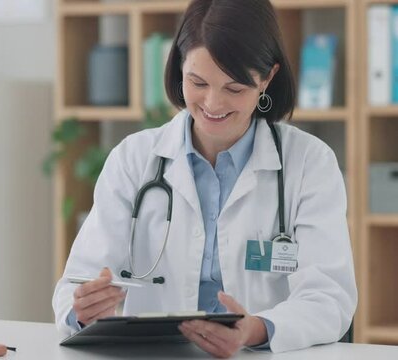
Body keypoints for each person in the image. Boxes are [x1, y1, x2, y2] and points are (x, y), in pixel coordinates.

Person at [52, 0, 356, 356]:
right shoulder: (133, 160)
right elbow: (77, 283)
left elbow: (329, 298)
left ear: (267, 78)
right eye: (198, 82)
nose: (213, 103)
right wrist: (85, 310)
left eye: (235, 88)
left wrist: (254, 329)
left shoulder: (309, 163)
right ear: (180, 66)